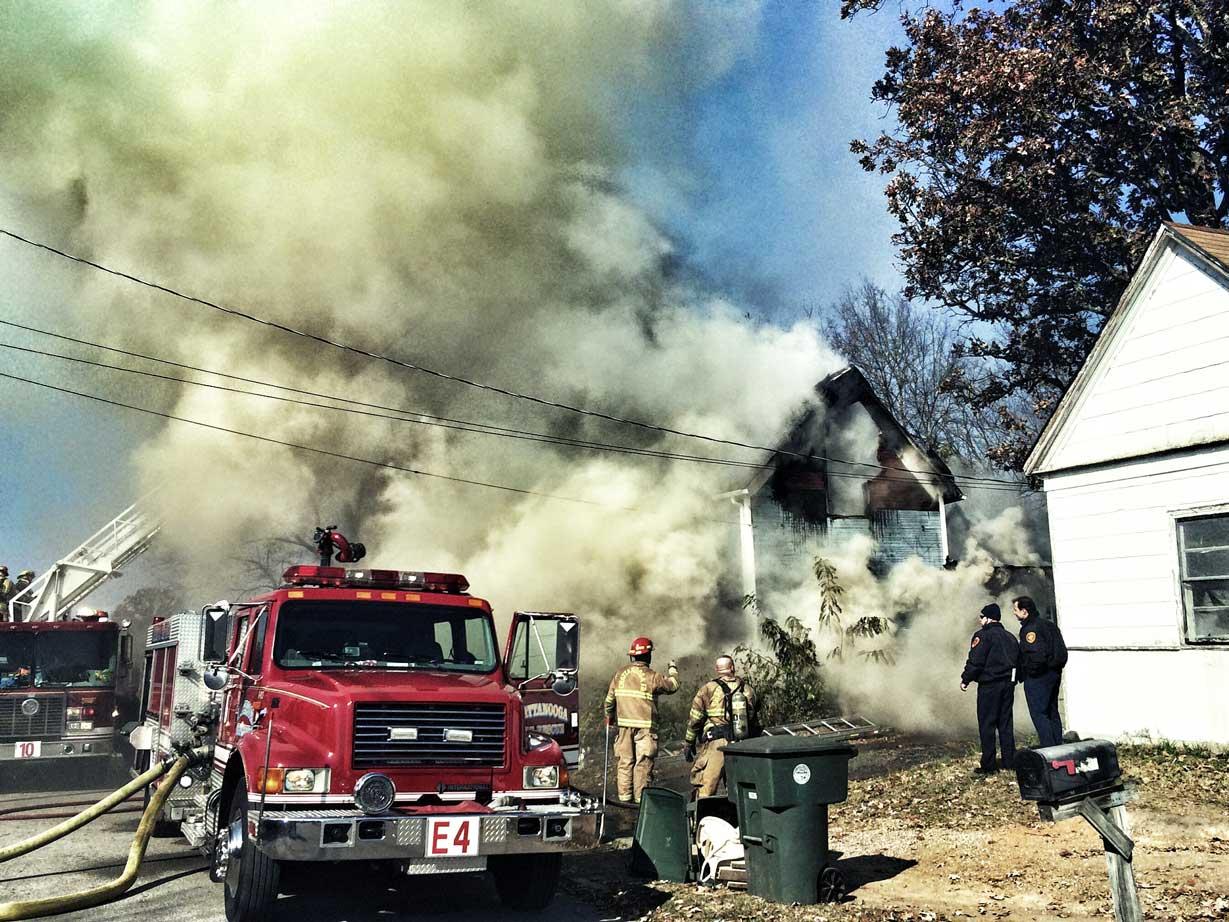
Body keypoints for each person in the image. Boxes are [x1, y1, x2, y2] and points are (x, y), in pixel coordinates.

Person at [603, 636, 680, 805]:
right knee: (643, 762)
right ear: (648, 656)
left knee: (625, 762)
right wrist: (673, 668)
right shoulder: (652, 676)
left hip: (624, 725)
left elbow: (609, 701)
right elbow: (673, 686)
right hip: (645, 727)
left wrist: (609, 718)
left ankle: (624, 800)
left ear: (632, 656)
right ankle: (640, 799)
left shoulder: (620, 674)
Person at [684, 654, 757, 797]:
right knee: (740, 789)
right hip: (741, 744)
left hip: (716, 743)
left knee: (706, 788)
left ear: (717, 670)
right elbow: (753, 719)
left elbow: (695, 719)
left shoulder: (708, 689)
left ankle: (700, 818)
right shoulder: (747, 689)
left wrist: (689, 742)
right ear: (733, 668)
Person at [960, 602, 1019, 775]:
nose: (979, 620)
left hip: (989, 686)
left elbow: (976, 661)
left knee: (987, 725)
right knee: (1006, 724)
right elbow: (1018, 660)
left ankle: (989, 765)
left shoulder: (983, 636)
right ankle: (1009, 761)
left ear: (987, 618)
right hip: (1008, 685)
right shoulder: (1010, 637)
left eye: (981, 617)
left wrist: (966, 679)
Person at [1013, 595, 1068, 748]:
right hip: (1054, 674)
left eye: (1016, 610)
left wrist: (1030, 672)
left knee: (1039, 713)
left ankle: (1049, 749)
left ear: (1024, 611)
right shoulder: (1048, 625)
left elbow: (1036, 655)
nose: (1014, 613)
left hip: (1039, 677)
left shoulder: (1031, 629)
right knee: (1052, 711)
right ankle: (1059, 747)